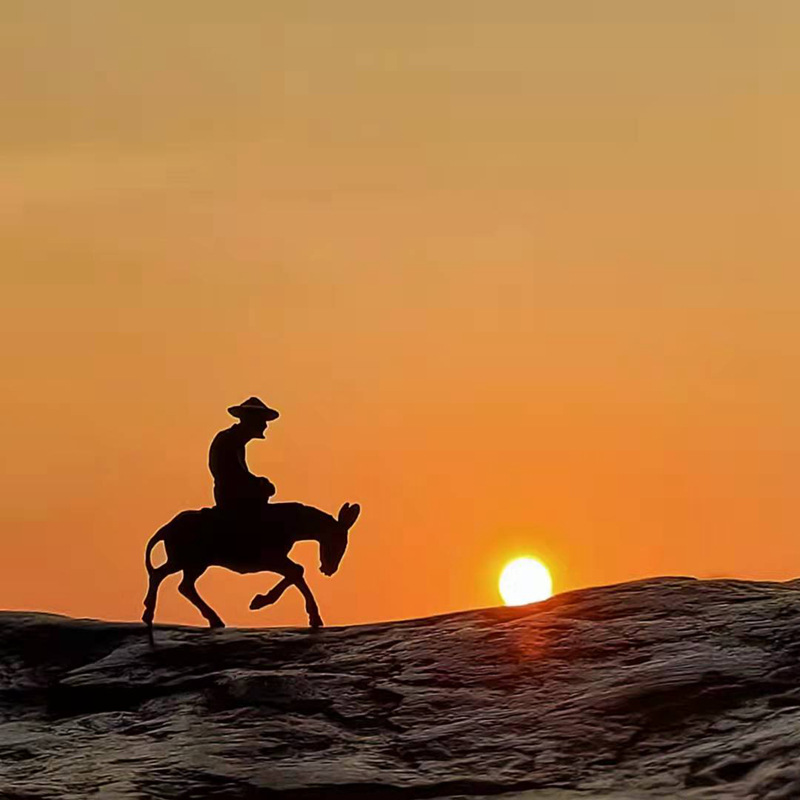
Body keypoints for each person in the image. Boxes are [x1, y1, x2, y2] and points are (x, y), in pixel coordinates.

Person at [209, 397, 279, 529]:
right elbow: (233, 474)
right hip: (231, 499)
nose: (265, 425)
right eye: (262, 420)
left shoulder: (235, 441)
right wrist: (259, 483)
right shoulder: (229, 440)